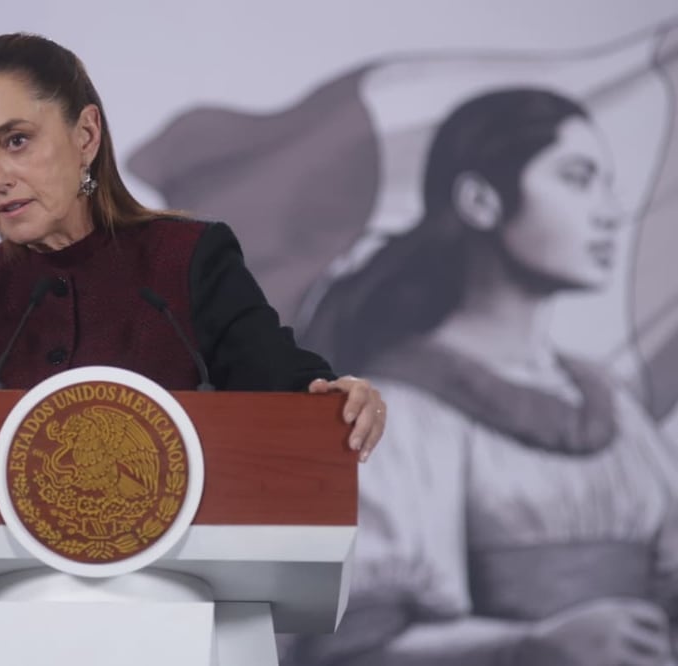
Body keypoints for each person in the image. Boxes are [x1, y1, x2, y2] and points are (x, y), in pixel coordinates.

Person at [0, 32, 385, 462]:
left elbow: (291, 391)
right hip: (15, 602)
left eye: (16, 140)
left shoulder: (189, 257)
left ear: (86, 135)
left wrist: (344, 398)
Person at [286, 89, 678, 665]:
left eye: (606, 182)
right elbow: (349, 649)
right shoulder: (397, 412)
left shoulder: (613, 407)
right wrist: (533, 647)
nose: (610, 210)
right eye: (577, 177)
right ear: (480, 200)